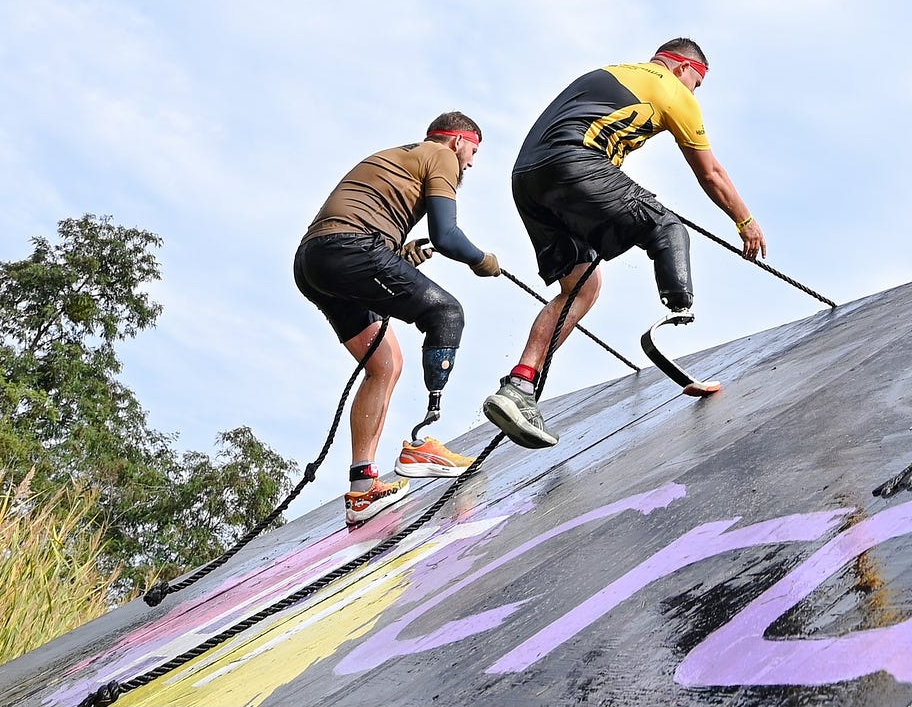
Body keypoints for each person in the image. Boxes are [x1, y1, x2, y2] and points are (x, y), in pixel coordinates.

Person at [482, 38, 767, 449]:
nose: (693, 93)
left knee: (584, 287)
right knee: (668, 229)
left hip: (527, 180)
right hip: (574, 163)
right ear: (683, 67)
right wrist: (746, 221)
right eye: (696, 84)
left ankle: (519, 386)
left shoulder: (610, 73)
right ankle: (678, 313)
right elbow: (712, 174)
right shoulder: (672, 89)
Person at [295, 112, 501, 526]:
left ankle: (362, 488)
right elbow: (447, 235)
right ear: (457, 141)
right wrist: (483, 260)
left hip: (314, 261)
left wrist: (398, 254)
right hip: (351, 247)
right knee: (446, 312)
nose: (471, 164)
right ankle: (421, 440)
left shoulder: (400, 158)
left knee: (385, 364)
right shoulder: (439, 155)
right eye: (473, 151)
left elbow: (367, 221)